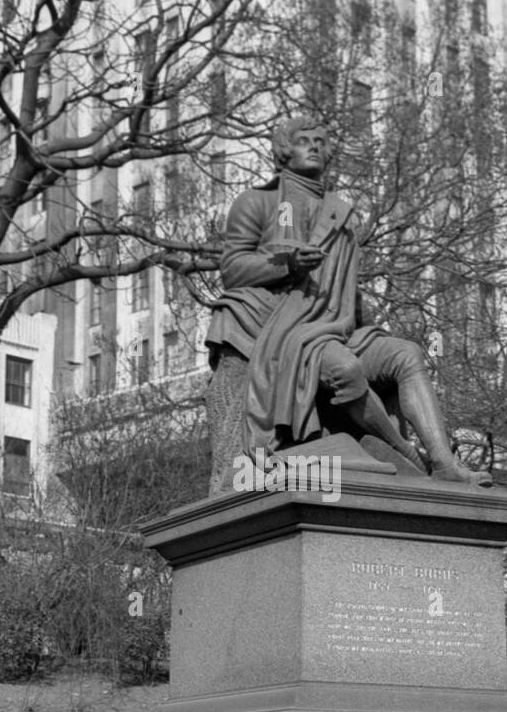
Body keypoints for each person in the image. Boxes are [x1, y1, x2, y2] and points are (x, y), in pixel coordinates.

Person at [205, 116, 491, 491]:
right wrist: (285, 265)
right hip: (286, 332)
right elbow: (232, 269)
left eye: (321, 141)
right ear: (283, 150)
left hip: (337, 327)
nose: (315, 147)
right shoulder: (257, 202)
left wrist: (364, 327)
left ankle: (443, 463)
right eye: (304, 140)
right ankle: (401, 451)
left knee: (407, 353)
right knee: (346, 370)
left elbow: (346, 294)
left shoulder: (341, 216)